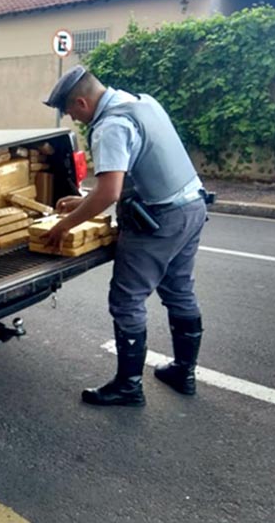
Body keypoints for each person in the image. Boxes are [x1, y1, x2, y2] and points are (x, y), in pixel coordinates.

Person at [42, 65, 207, 407]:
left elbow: (109, 194)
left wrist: (63, 225)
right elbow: (132, 170)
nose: (72, 118)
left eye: (71, 111)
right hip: (192, 206)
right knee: (179, 290)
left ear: (83, 103)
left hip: (159, 220)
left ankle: (129, 386)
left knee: (126, 299)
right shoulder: (142, 102)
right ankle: (183, 372)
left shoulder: (111, 125)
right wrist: (83, 199)